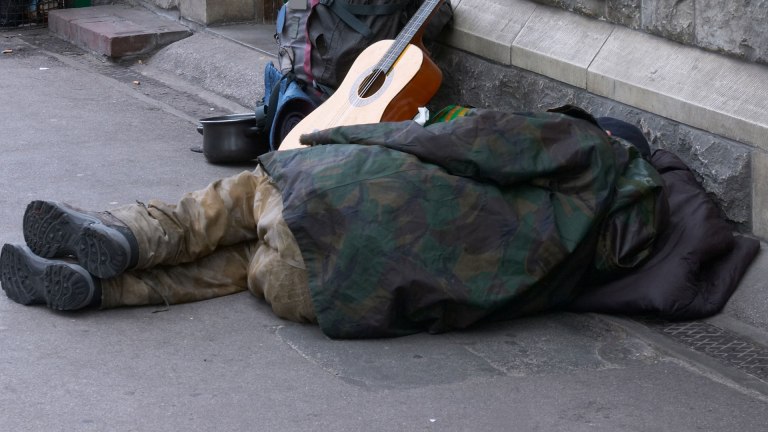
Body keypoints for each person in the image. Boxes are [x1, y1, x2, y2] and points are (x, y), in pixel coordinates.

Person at [0, 107, 666, 338]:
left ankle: (125, 236)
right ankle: (104, 289)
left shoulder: (579, 147)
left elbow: (447, 142)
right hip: (324, 296)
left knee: (227, 208)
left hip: (321, 202)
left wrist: (328, 139)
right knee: (240, 269)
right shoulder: (591, 255)